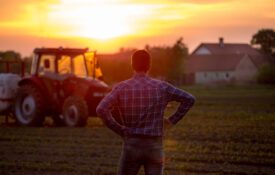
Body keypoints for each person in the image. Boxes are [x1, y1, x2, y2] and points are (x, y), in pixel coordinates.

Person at [96, 50, 195, 175]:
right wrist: (171, 121)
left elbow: (101, 109)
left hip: (132, 144)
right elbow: (189, 99)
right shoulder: (162, 87)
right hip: (155, 146)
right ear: (149, 65)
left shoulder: (122, 87)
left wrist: (119, 129)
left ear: (132, 65)